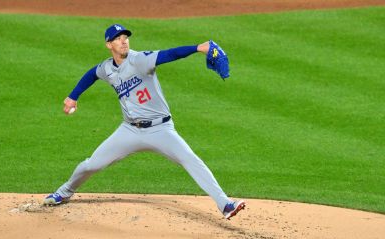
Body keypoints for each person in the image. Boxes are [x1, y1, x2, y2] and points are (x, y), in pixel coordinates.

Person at [44, 24, 246, 219]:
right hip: (129, 131)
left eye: (125, 38)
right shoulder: (107, 68)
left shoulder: (139, 60)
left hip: (160, 129)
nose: (123, 42)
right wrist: (73, 96)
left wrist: (199, 48)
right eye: (118, 39)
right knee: (92, 164)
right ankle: (63, 192)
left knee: (190, 159)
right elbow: (91, 74)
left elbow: (169, 54)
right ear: (108, 45)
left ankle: (225, 204)